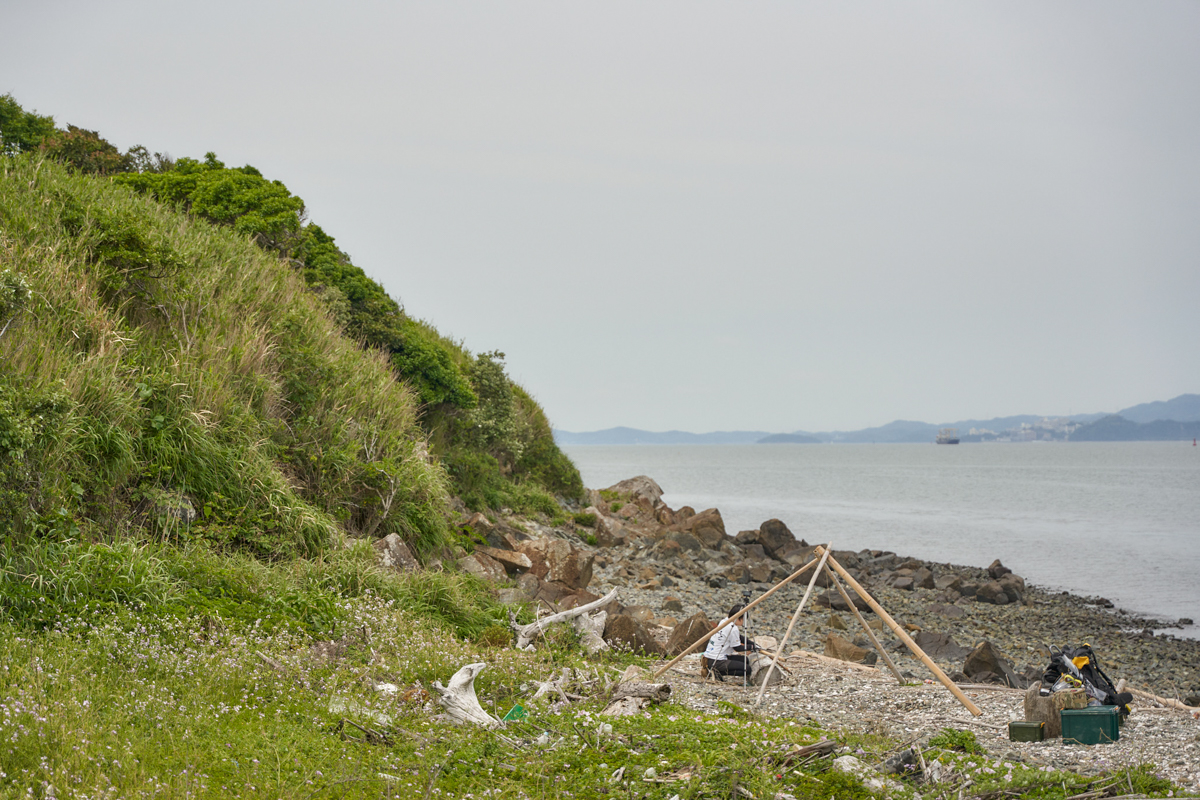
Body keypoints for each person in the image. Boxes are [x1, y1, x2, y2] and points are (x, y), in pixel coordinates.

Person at [702, 604, 758, 679]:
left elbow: (739, 637)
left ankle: (715, 670)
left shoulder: (724, 621)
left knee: (745, 660)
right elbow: (737, 647)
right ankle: (717, 672)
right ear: (739, 618)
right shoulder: (733, 628)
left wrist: (752, 643)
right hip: (717, 661)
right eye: (744, 620)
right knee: (747, 669)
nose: (744, 623)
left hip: (709, 658)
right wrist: (751, 647)